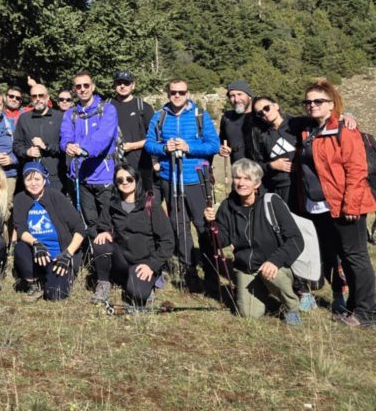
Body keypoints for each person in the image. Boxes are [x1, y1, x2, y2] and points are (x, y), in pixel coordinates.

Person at [296, 79, 376, 329]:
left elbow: (356, 169)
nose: (312, 105)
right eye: (308, 101)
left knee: (356, 257)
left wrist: (351, 206)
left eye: (318, 101)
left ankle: (370, 314)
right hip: (324, 207)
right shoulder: (310, 130)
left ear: (332, 104)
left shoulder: (344, 129)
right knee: (345, 257)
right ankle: (356, 306)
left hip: (346, 206)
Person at [204, 159, 304, 324]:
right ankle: (262, 293)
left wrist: (275, 261)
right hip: (246, 268)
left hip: (274, 265)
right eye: (237, 178)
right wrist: (211, 225)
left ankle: (291, 306)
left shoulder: (272, 202)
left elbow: (296, 240)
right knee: (249, 315)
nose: (241, 183)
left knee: (273, 275)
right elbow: (221, 241)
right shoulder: (227, 206)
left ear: (257, 184)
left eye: (247, 179)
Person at [144, 78, 220, 292]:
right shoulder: (159, 117)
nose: (177, 96)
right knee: (179, 227)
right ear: (168, 94)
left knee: (203, 226)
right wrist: (163, 148)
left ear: (188, 94)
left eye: (181, 92)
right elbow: (150, 144)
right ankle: (189, 271)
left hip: (196, 180)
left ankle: (212, 272)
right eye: (173, 92)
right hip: (170, 180)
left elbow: (213, 145)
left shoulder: (200, 116)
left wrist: (189, 146)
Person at [92, 162, 175, 309]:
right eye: (120, 180)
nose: (125, 182)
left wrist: (151, 265)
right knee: (100, 242)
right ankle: (104, 283)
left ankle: (145, 283)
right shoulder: (112, 204)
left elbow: (167, 240)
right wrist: (104, 231)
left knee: (137, 295)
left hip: (143, 262)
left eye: (129, 179)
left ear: (136, 180)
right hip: (121, 260)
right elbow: (103, 224)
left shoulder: (151, 205)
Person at [12, 161, 86, 301]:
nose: (33, 183)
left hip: (59, 256)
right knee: (20, 247)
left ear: (44, 179)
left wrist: (67, 254)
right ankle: (33, 283)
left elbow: (79, 228)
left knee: (56, 295)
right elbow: (20, 228)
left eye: (37, 179)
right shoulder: (20, 198)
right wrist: (36, 243)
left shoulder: (56, 196)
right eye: (28, 179)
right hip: (35, 253)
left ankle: (51, 280)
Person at [60, 71, 119, 241]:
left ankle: (114, 259)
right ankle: (96, 257)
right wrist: (68, 146)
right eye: (78, 86)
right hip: (81, 177)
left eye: (86, 85)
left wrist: (83, 150)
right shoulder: (70, 113)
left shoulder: (107, 109)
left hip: (104, 175)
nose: (83, 89)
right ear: (74, 90)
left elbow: (104, 137)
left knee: (109, 221)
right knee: (90, 221)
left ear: (93, 86)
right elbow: (65, 135)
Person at [13, 84, 66, 195]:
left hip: (54, 175)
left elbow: (65, 146)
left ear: (47, 97)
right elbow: (17, 144)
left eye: (41, 96)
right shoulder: (24, 118)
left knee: (53, 209)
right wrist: (27, 152)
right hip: (30, 175)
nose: (38, 99)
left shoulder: (59, 117)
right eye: (34, 96)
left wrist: (46, 146)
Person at [109, 71, 155, 191]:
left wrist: (132, 146)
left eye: (126, 83)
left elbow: (155, 138)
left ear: (133, 85)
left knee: (142, 201)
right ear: (114, 85)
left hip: (140, 164)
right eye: (119, 83)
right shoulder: (107, 107)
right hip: (113, 164)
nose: (122, 86)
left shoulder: (143, 107)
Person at [250, 95, 296, 203]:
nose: (265, 113)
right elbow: (257, 164)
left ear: (276, 106)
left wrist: (342, 118)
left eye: (266, 108)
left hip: (300, 187)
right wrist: (272, 165)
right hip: (277, 190)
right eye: (260, 113)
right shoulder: (263, 136)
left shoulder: (296, 124)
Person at [218, 80, 254, 189]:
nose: (236, 99)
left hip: (260, 172)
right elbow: (222, 141)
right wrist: (221, 149)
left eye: (239, 94)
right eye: (232, 96)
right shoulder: (227, 118)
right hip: (238, 172)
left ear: (249, 96)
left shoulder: (261, 116)